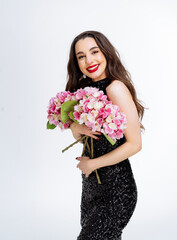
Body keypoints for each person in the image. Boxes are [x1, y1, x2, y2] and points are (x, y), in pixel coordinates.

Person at [65, 30, 145, 240]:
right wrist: (76, 129)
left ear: (106, 53)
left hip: (116, 189)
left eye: (94, 51)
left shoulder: (115, 88)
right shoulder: (84, 90)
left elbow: (135, 144)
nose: (88, 60)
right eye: (81, 56)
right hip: (91, 189)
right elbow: (87, 138)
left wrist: (93, 164)